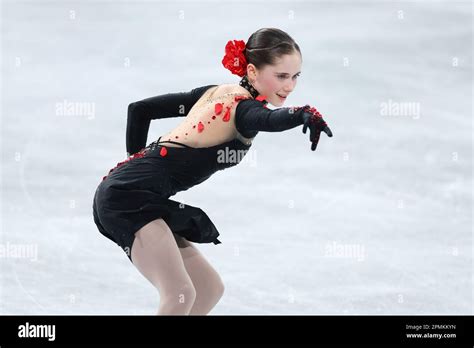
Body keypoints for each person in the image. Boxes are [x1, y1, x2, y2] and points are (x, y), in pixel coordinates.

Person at [92, 27, 333, 315]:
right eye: (281, 76)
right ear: (253, 72)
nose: (290, 85)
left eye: (295, 76)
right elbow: (269, 119)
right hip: (126, 198)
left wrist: (136, 164)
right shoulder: (244, 110)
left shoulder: (214, 93)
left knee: (208, 289)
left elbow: (139, 110)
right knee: (179, 292)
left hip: (133, 192)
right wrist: (302, 113)